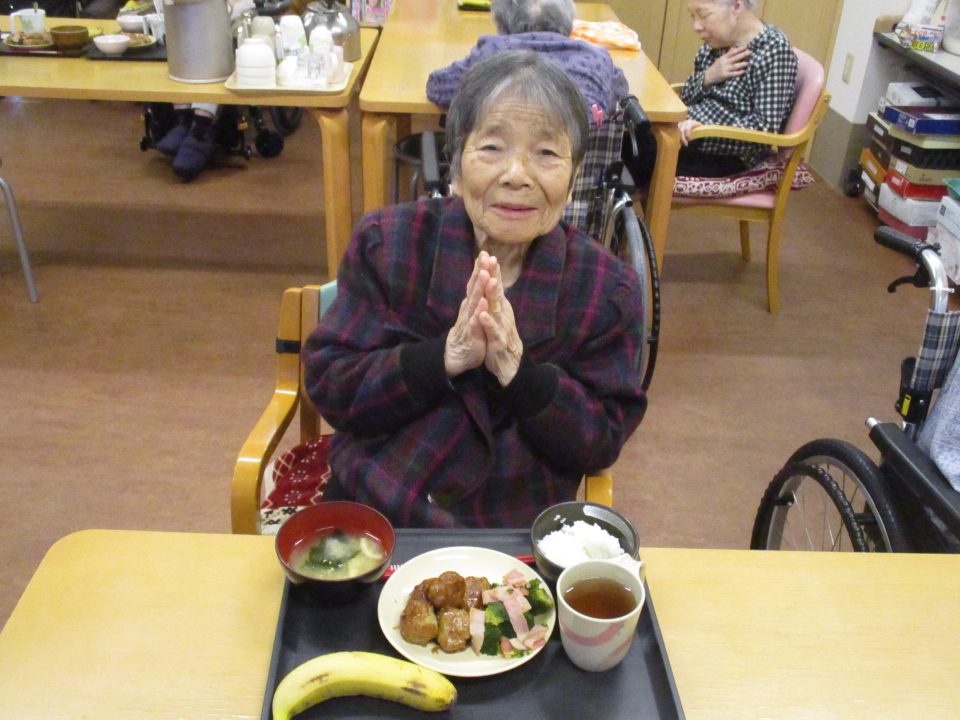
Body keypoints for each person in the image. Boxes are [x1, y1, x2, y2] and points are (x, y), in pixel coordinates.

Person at [303, 51, 647, 528]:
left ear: (572, 181)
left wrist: (520, 374)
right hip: (379, 512)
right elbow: (333, 386)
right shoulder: (389, 243)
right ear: (456, 171)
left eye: (546, 154)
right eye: (491, 148)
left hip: (512, 528)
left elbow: (600, 439)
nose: (516, 175)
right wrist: (442, 357)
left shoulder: (605, 288)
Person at [426, 0, 628, 118]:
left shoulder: (489, 54)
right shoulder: (597, 59)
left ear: (501, 24)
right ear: (569, 23)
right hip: (579, 176)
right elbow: (621, 97)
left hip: (500, 174)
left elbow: (438, 87)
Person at [676, 0, 798, 177]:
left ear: (736, 6)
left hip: (727, 155)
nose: (696, 26)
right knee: (637, 135)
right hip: (688, 134)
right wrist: (708, 76)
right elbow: (685, 98)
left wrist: (703, 131)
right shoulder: (716, 42)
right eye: (692, 16)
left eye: (703, 15)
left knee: (643, 156)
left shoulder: (774, 51)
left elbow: (763, 129)